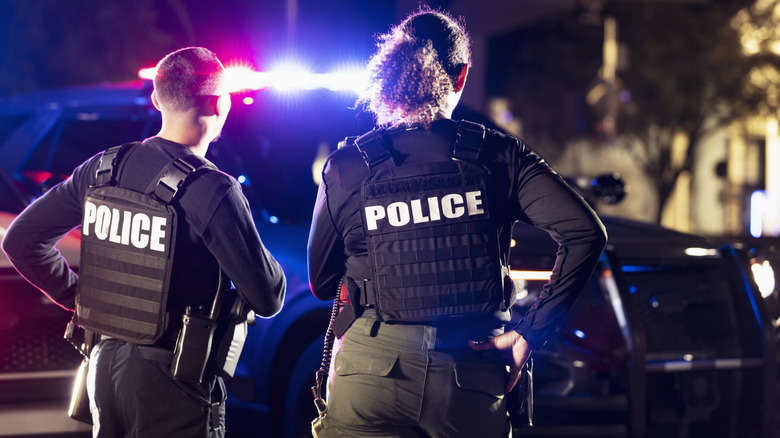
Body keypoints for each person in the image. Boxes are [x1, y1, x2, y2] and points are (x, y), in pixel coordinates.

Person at [307, 8, 607, 438]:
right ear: (462, 75)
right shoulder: (499, 155)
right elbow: (585, 232)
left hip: (371, 373)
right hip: (472, 373)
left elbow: (322, 283)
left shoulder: (348, 165)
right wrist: (530, 333)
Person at [2, 47, 286, 437]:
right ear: (221, 104)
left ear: (156, 100)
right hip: (173, 378)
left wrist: (83, 300)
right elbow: (268, 297)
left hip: (102, 369)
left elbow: (21, 241)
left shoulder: (103, 168)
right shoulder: (213, 188)